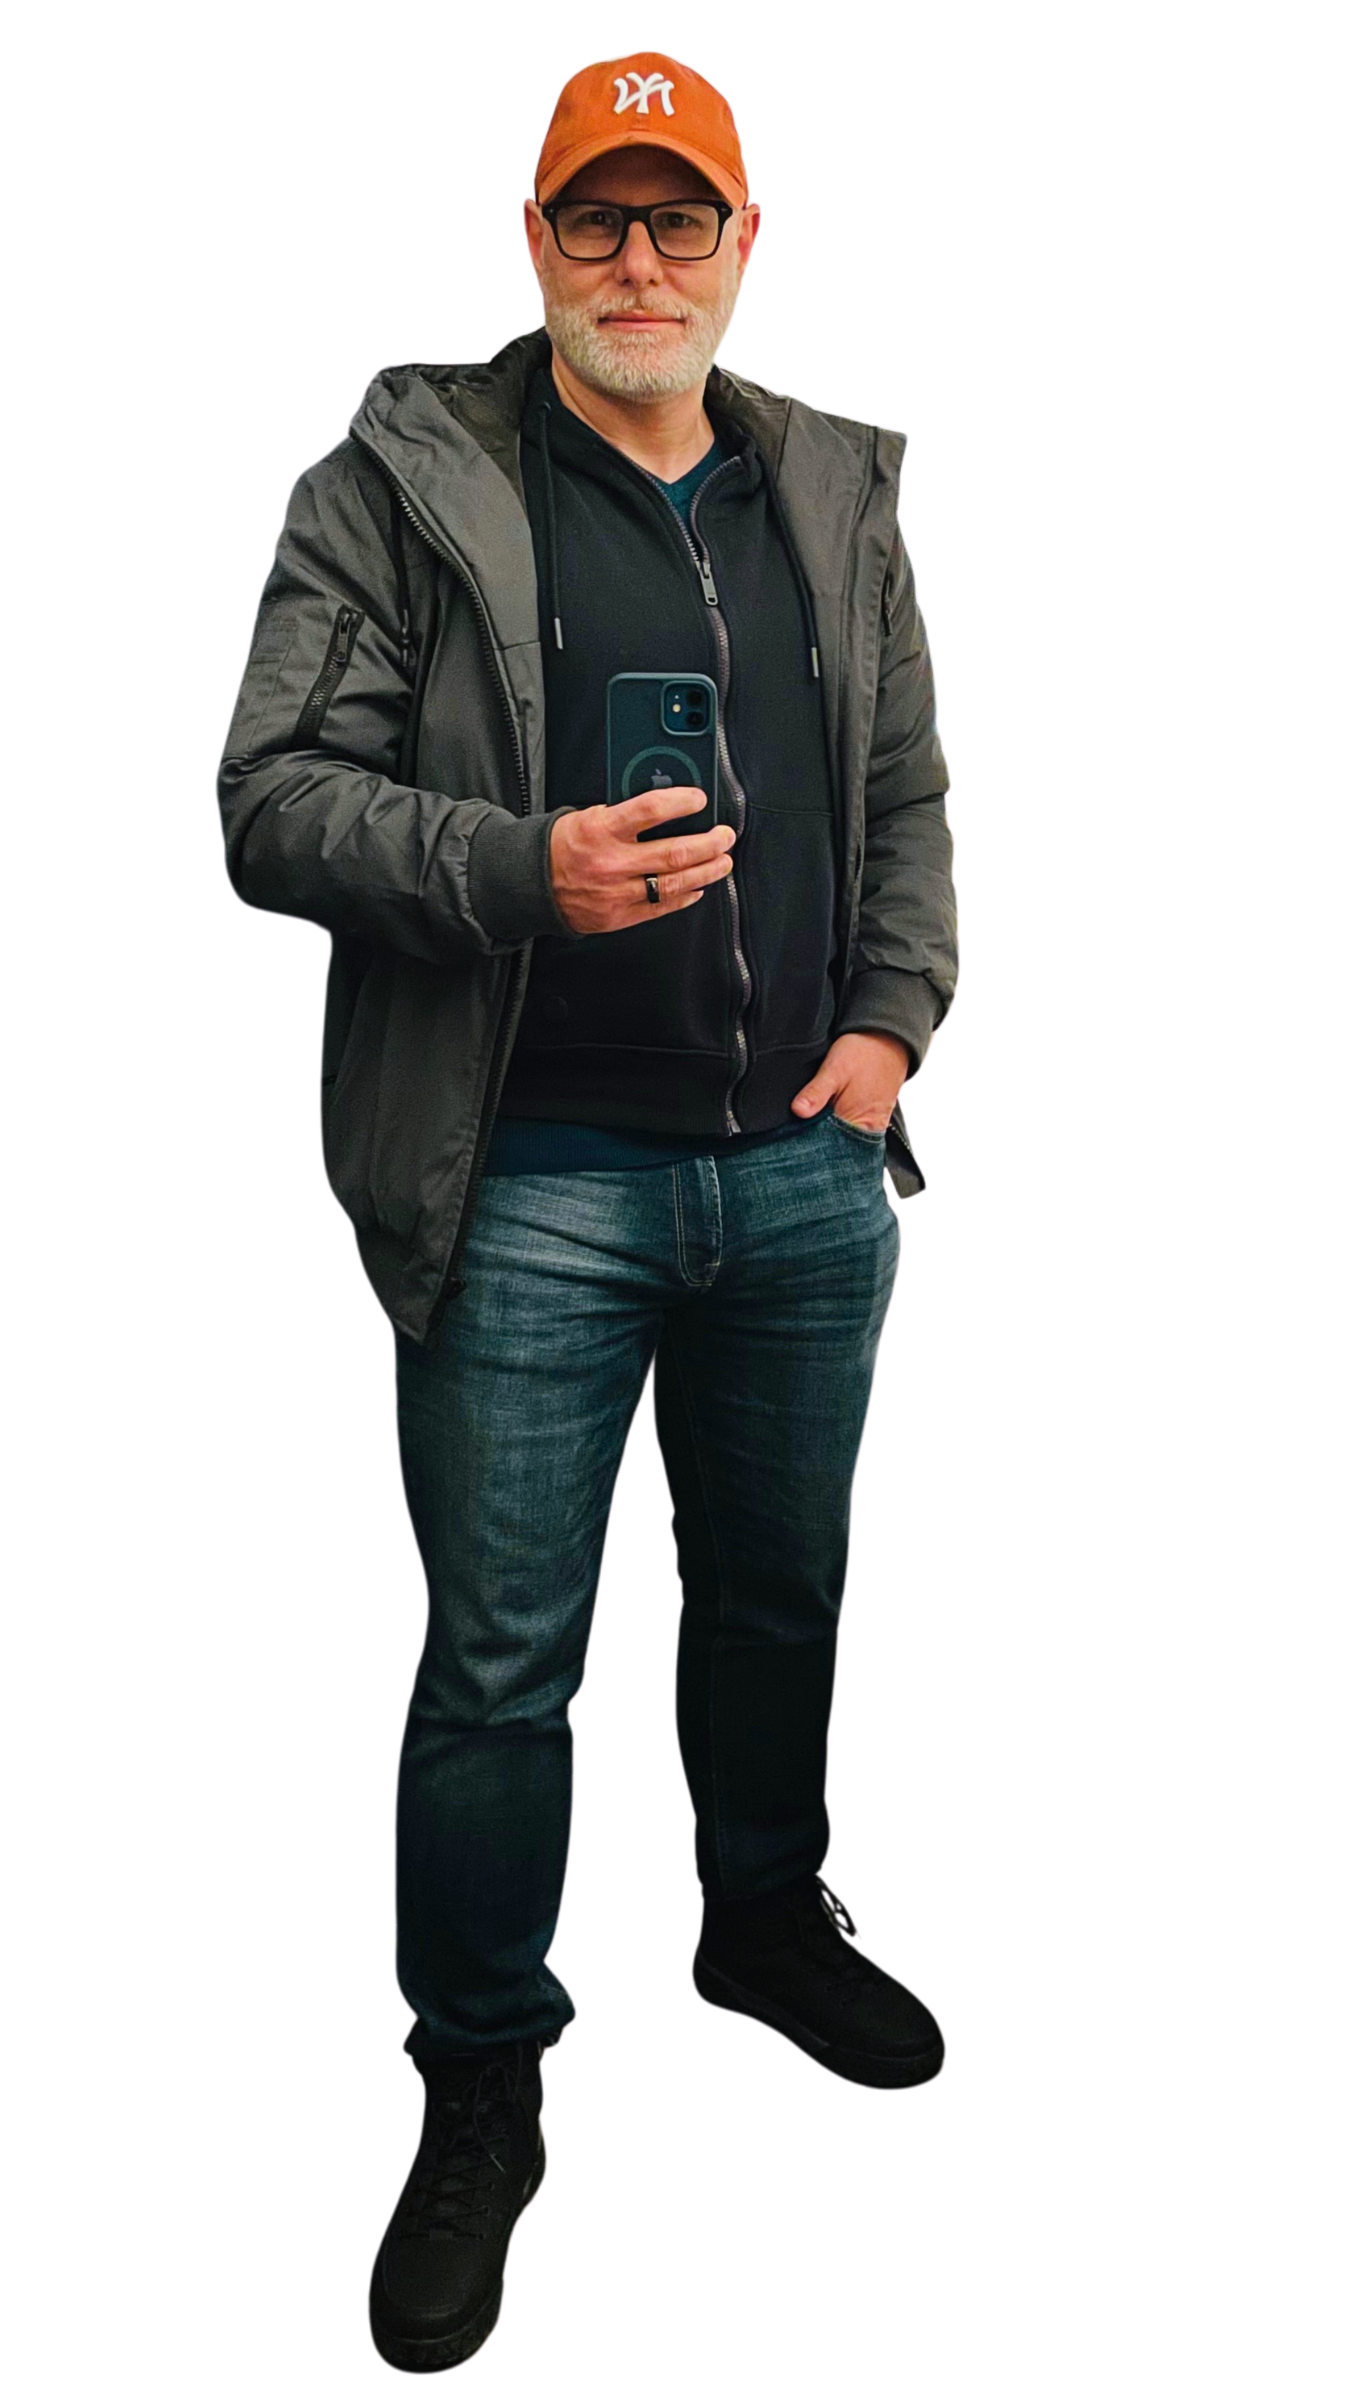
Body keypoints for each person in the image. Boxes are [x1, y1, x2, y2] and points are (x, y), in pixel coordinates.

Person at [215, 47, 959, 2374]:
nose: (642, 262)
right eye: (595, 219)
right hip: (524, 1179)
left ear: (748, 246)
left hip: (806, 1171)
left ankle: (761, 1924)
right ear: (529, 244)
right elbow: (267, 798)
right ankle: (480, 2080)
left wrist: (895, 1025)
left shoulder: (831, 478)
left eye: (683, 219)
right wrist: (516, 870)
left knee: (783, 1595)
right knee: (502, 1667)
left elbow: (915, 785)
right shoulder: (398, 479)